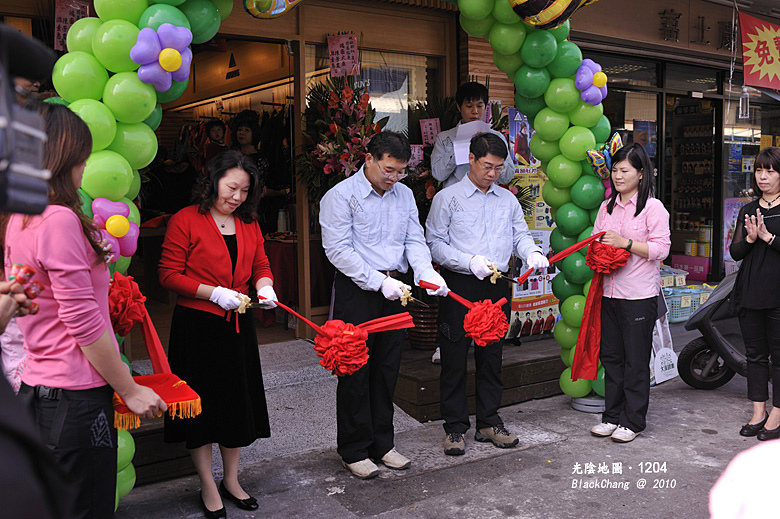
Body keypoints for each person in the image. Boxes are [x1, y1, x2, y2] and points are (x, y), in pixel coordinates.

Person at [5, 103, 166, 519]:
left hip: (37, 391)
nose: (85, 165)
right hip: (76, 400)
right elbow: (82, 321)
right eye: (83, 154)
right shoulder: (58, 219)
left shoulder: (21, 218)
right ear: (65, 155)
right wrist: (129, 389)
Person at [319, 131, 449, 479]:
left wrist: (425, 274)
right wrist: (379, 282)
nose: (394, 178)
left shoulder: (404, 195)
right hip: (359, 290)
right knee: (355, 371)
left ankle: (382, 443)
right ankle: (353, 449)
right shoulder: (341, 196)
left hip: (398, 289)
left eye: (401, 171)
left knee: (387, 368)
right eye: (389, 170)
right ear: (369, 159)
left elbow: (413, 240)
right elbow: (338, 251)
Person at [159, 150, 278, 518]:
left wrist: (265, 285)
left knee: (234, 406)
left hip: (237, 328)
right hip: (197, 328)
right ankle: (207, 483)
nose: (237, 197)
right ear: (213, 181)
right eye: (231, 187)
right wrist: (213, 293)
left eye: (245, 190)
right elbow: (168, 274)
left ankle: (231, 478)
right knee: (200, 411)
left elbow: (260, 263)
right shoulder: (185, 220)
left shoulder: (248, 222)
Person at [426, 132, 549, 456]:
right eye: (487, 166)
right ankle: (454, 427)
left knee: (492, 357)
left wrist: (531, 253)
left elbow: (519, 234)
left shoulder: (506, 199)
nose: (492, 174)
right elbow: (434, 243)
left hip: (497, 285)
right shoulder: (448, 198)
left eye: (498, 168)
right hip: (460, 285)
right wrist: (468, 261)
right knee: (453, 359)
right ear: (471, 159)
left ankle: (489, 421)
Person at [588, 142, 670, 443]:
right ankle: (612, 416)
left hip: (638, 295)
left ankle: (633, 421)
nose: (618, 176)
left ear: (640, 173)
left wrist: (625, 244)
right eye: (614, 170)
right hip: (609, 293)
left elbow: (662, 249)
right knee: (611, 357)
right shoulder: (606, 206)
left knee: (635, 361)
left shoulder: (653, 208)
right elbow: (596, 240)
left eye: (624, 170)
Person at [728, 146, 780, 441]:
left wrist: (769, 238)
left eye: (770, 171)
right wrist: (749, 238)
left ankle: (777, 413)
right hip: (751, 291)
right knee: (756, 356)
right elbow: (736, 252)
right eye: (759, 170)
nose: (763, 176)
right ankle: (758, 411)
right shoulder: (749, 210)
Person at [431, 82, 514, 188]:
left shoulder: (497, 137)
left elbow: (507, 177)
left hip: (487, 200)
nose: (475, 111)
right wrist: (459, 146)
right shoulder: (444, 138)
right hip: (455, 200)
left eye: (480, 106)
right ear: (459, 107)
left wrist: (490, 145)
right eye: (469, 106)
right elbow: (438, 175)